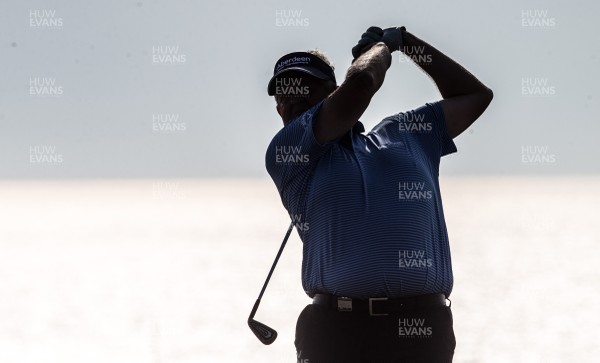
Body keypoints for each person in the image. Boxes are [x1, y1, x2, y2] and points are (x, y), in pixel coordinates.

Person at [265, 26, 492, 363]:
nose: (293, 99)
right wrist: (383, 47)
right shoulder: (288, 152)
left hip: (420, 328)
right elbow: (360, 85)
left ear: (332, 91)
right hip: (335, 330)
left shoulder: (409, 133)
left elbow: (474, 96)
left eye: (305, 88)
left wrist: (408, 43)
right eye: (283, 93)